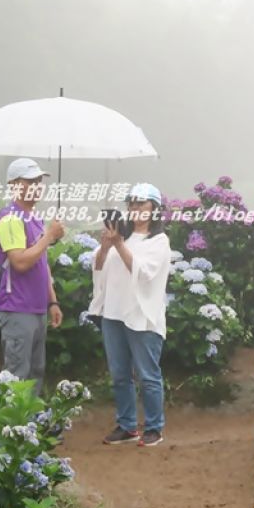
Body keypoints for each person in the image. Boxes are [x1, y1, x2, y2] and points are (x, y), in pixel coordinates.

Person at [89, 182, 172, 447]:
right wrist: (106, 245)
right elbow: (98, 266)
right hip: (113, 312)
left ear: (154, 209)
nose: (135, 209)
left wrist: (119, 245)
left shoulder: (158, 241)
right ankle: (126, 425)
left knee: (148, 375)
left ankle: (154, 427)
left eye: (141, 204)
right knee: (119, 374)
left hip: (142, 315)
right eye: (132, 204)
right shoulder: (119, 236)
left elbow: (145, 274)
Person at [0, 157, 66, 396]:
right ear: (14, 184)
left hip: (37, 308)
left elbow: (42, 264)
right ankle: (11, 428)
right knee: (16, 375)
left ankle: (31, 429)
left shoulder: (34, 219)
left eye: (39, 181)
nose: (37, 186)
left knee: (36, 371)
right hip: (17, 307)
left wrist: (52, 301)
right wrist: (49, 237)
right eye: (30, 181)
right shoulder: (9, 219)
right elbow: (21, 262)